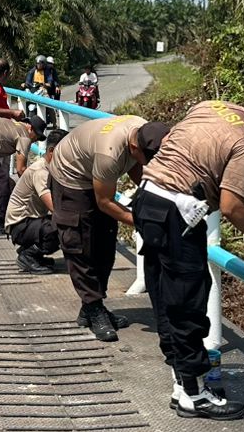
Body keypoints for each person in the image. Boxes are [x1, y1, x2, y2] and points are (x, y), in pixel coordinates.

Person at [134, 94, 244, 421]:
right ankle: (194, 395)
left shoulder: (213, 106)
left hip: (147, 197)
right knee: (187, 303)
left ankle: (182, 382)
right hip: (178, 213)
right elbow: (231, 207)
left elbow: (175, 139)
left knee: (166, 296)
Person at [51, 115, 170, 341]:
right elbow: (104, 202)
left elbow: (140, 169)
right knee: (80, 243)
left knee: (105, 240)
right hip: (72, 176)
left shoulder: (144, 130)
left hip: (98, 168)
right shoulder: (110, 153)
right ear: (134, 147)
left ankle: (91, 305)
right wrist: (144, 220)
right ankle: (94, 308)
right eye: (146, 159)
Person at [6, 129, 67, 273]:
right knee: (63, 226)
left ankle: (31, 250)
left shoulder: (52, 168)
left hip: (30, 221)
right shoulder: (41, 172)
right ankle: (29, 255)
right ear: (51, 151)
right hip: (20, 224)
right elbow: (54, 207)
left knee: (66, 223)